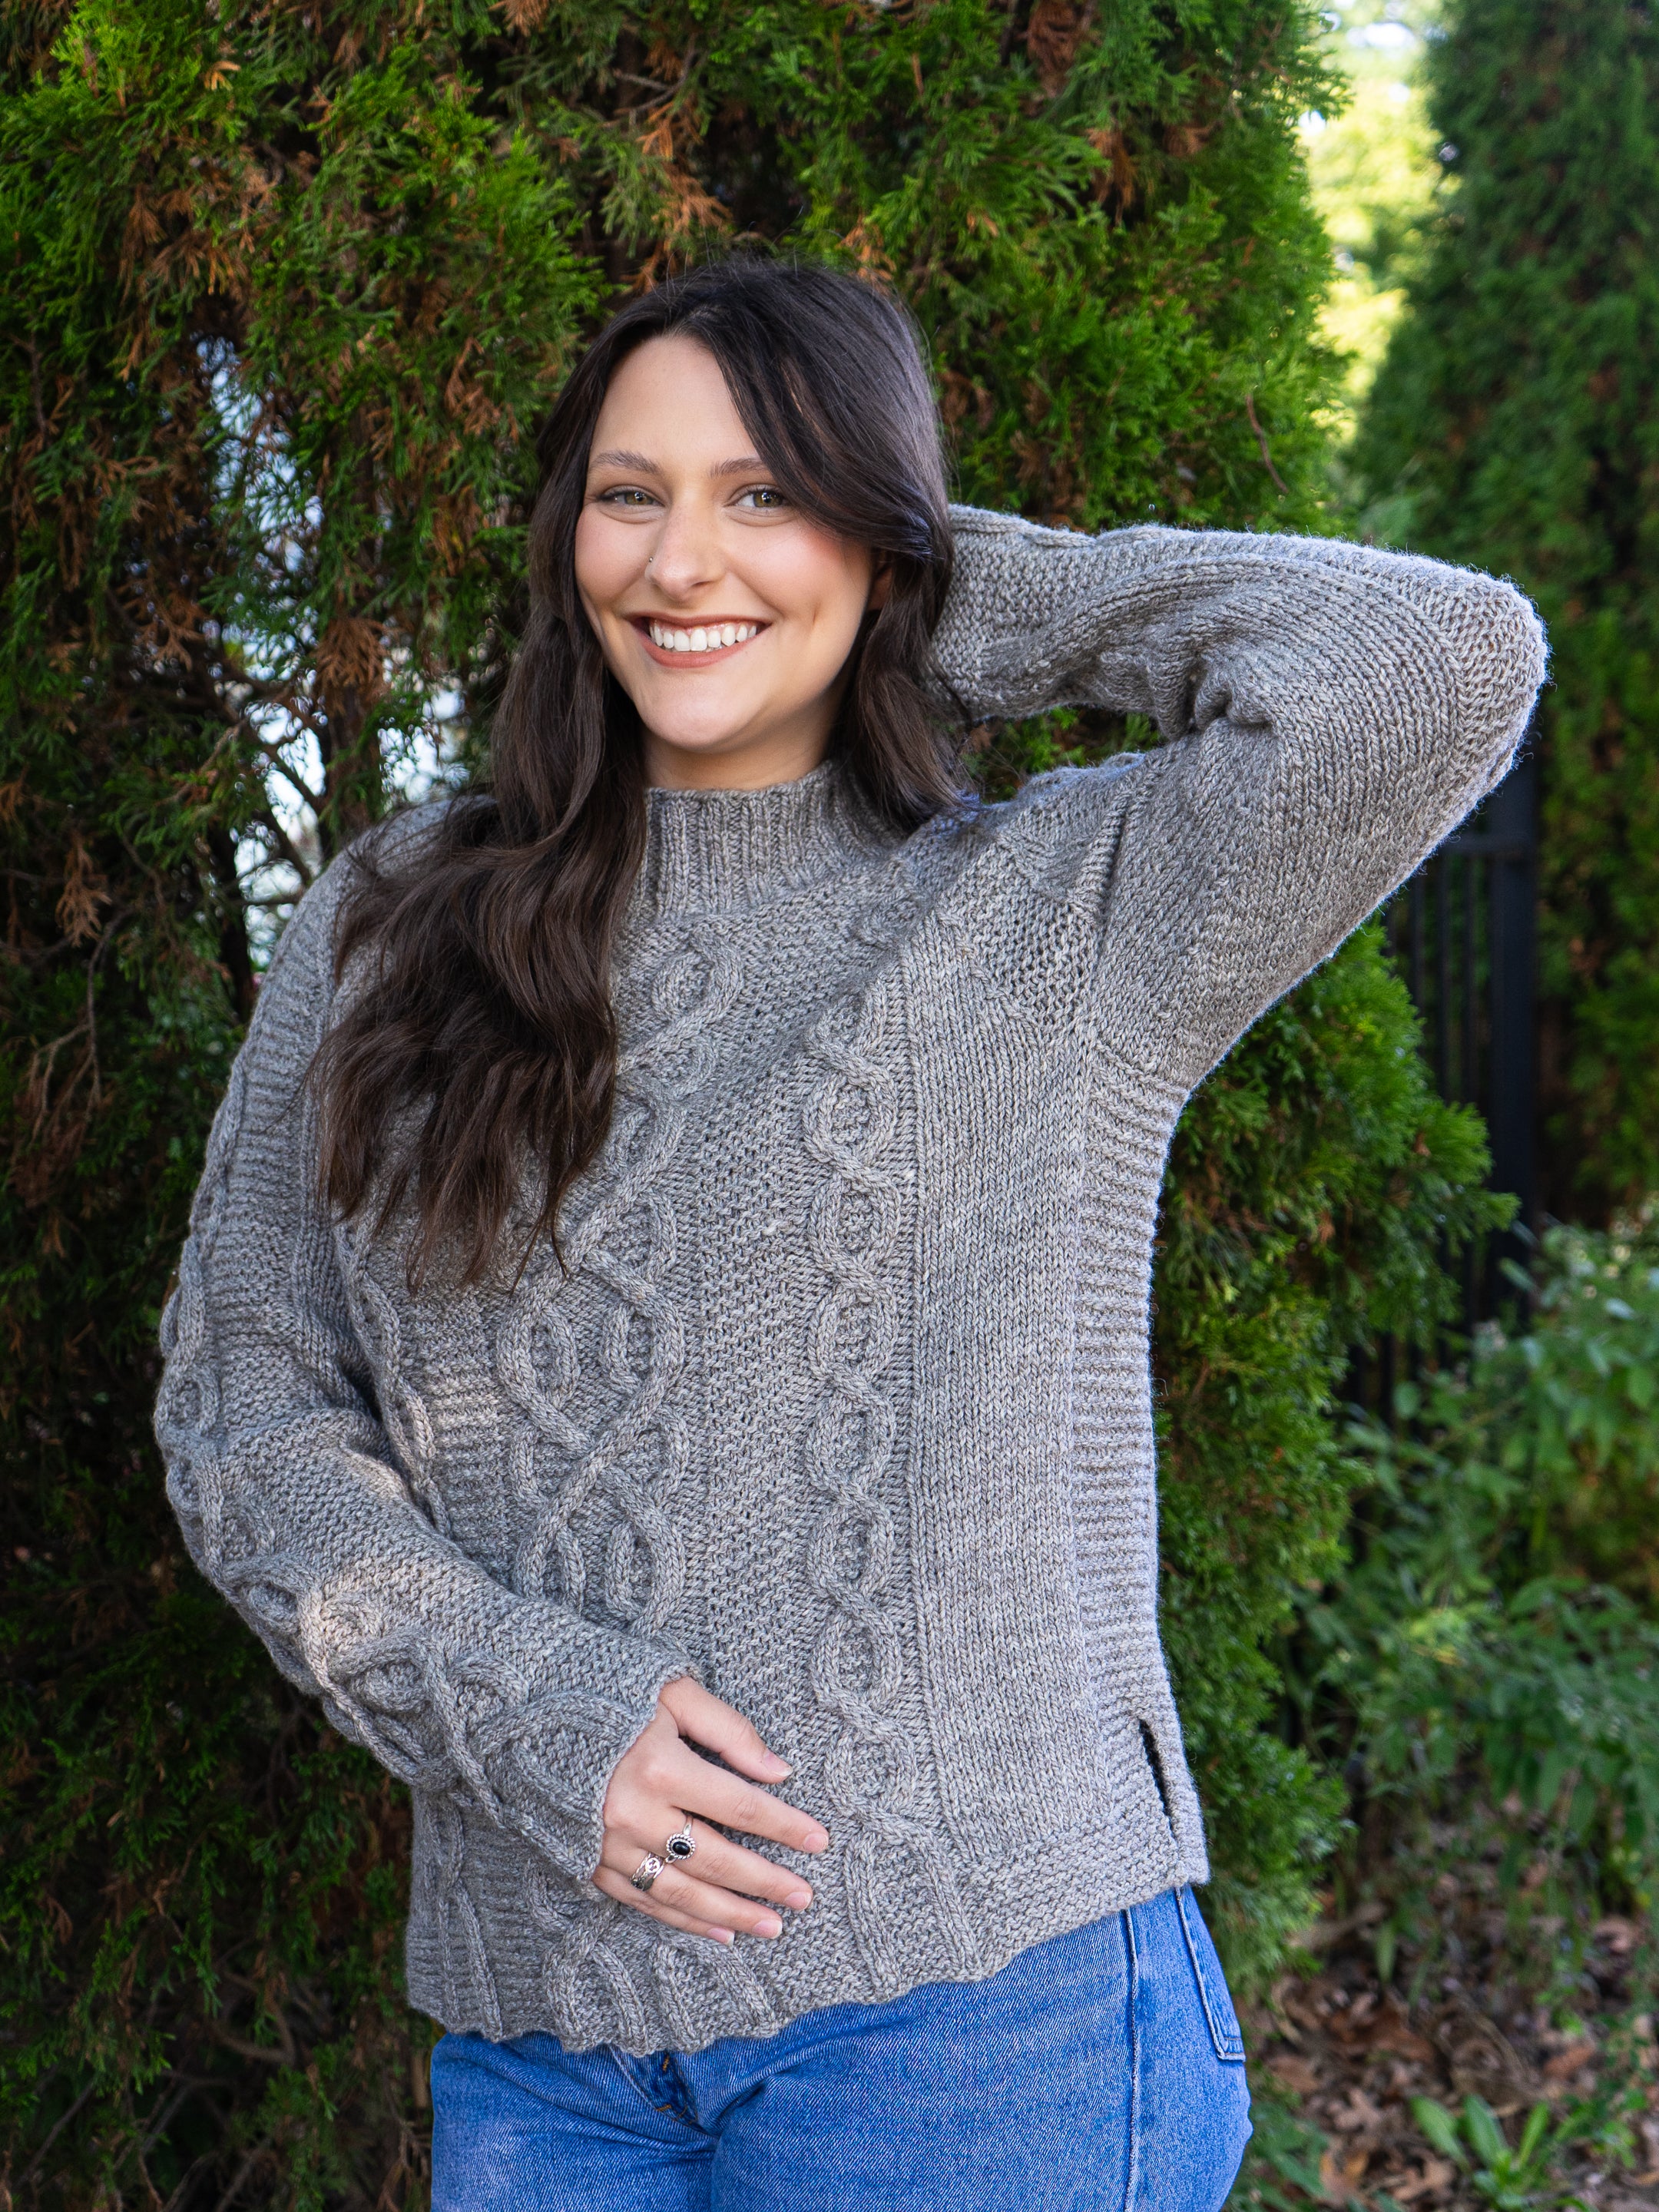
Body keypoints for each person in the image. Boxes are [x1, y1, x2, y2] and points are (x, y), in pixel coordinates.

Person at [154, 256, 1545, 2210]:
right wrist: (516, 1700)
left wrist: (929, 587)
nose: (681, 559)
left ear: (887, 533)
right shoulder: (392, 923)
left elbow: (1437, 658)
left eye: (768, 492)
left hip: (980, 2039)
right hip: (544, 2056)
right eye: (629, 496)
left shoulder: (1063, 913)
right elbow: (244, 1406)